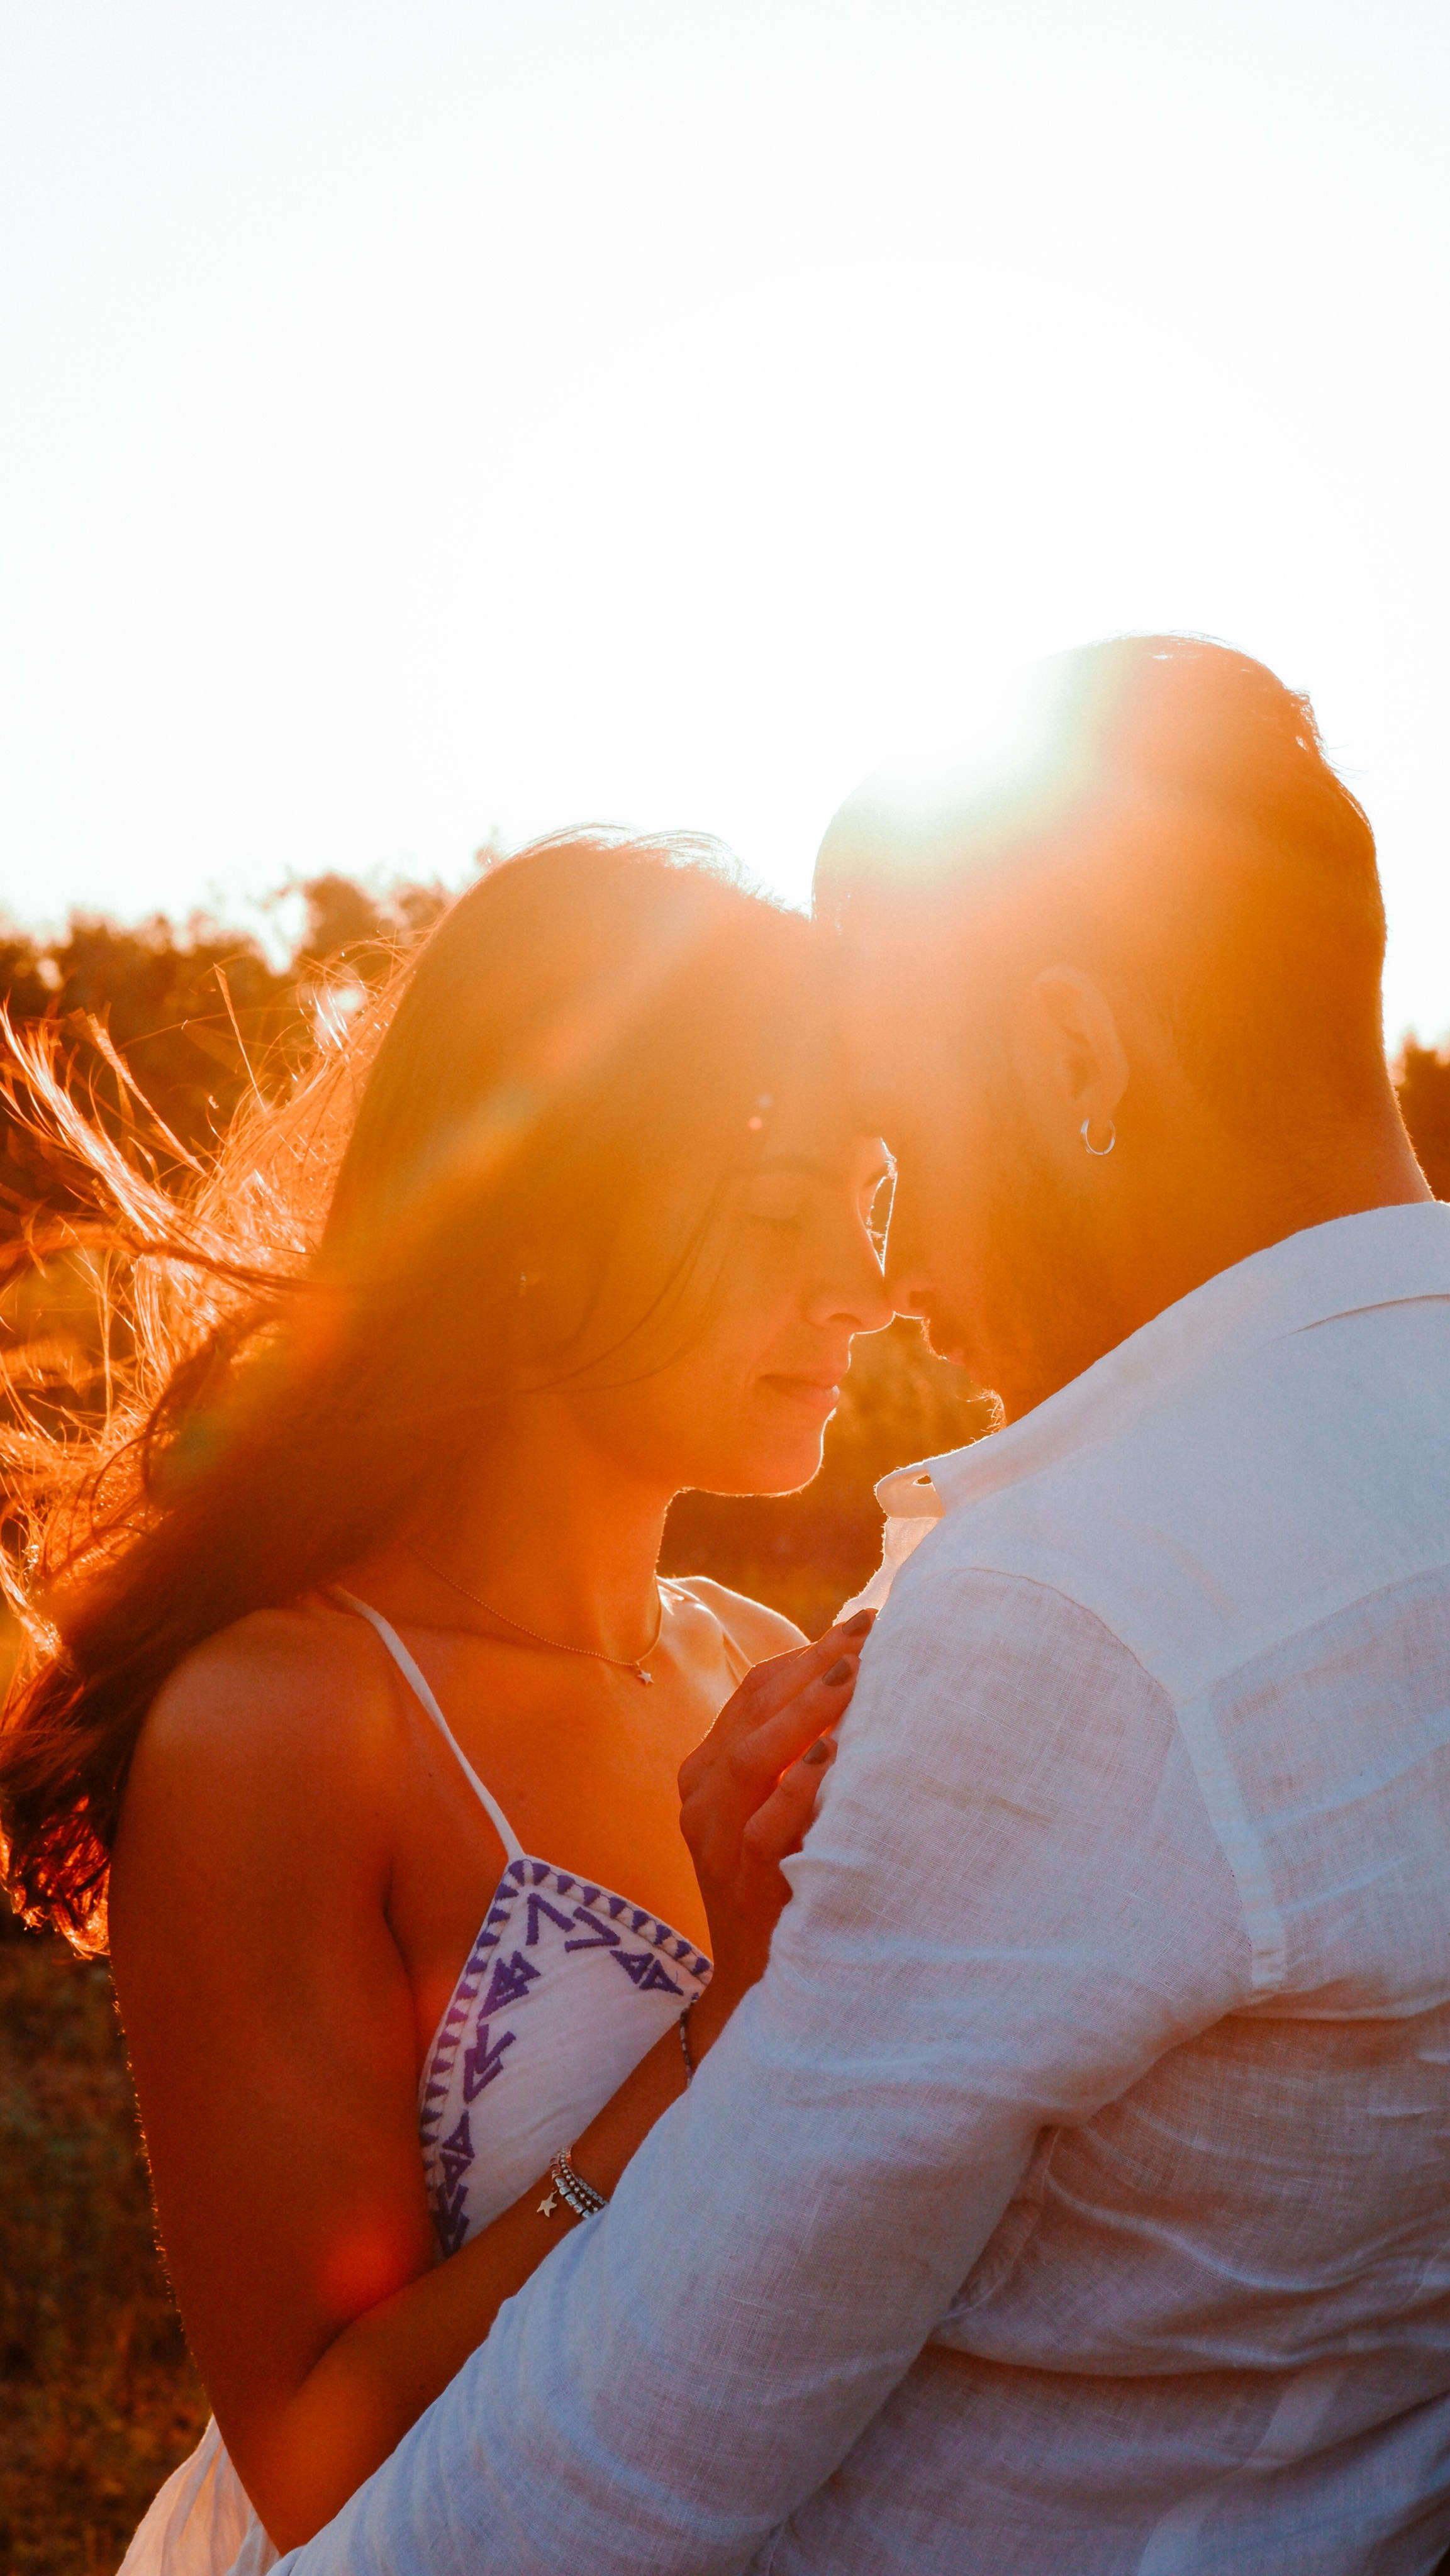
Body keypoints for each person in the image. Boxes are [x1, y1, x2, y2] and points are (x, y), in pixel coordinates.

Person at [272, 637, 1450, 2575]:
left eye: (899, 1147)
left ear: (1075, 1061)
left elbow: (607, 2473)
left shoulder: (1084, 1607)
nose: (890, 1282)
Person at [0, 831, 894, 2568]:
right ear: (546, 1224)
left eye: (872, 1203)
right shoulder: (283, 1725)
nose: (862, 1287)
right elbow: (319, 2461)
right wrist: (727, 2033)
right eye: (788, 1211)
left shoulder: (743, 1658)